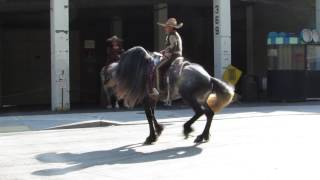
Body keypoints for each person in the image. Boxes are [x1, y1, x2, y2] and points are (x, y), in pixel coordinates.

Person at [151, 18, 183, 98]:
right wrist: (164, 50)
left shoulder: (172, 34)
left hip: (174, 56)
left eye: (166, 27)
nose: (165, 28)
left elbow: (173, 45)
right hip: (176, 54)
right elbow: (171, 46)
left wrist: (167, 53)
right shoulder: (174, 34)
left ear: (171, 27)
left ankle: (160, 89)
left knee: (157, 68)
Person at [101, 35, 124, 109]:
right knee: (106, 69)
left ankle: (124, 80)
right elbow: (109, 55)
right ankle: (106, 78)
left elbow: (122, 54)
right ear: (112, 42)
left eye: (115, 41)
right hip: (111, 61)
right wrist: (115, 56)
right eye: (113, 41)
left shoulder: (120, 48)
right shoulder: (109, 48)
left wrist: (120, 56)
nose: (114, 42)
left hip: (118, 62)